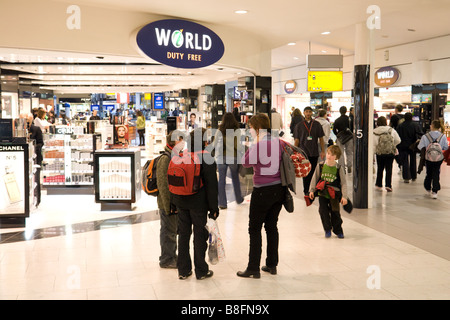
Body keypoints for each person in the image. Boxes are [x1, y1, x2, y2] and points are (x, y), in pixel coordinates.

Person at [237, 113, 284, 278]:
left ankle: (253, 268)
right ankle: (272, 265)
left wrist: (253, 145)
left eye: (250, 128)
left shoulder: (259, 145)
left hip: (262, 190)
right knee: (272, 227)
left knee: (254, 229)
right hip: (279, 190)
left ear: (257, 129)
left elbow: (245, 162)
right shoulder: (278, 142)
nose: (249, 131)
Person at [171, 128, 219, 280]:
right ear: (205, 141)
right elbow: (212, 186)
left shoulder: (181, 156)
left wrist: (173, 203)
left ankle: (183, 270)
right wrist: (214, 208)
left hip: (181, 201)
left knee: (183, 235)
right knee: (200, 235)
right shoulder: (207, 158)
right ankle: (201, 270)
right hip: (199, 204)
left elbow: (173, 180)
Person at [157, 130, 184, 269]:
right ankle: (166, 259)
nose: (183, 142)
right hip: (167, 204)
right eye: (180, 140)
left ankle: (172, 255)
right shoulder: (166, 159)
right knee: (168, 232)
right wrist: (168, 206)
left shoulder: (175, 156)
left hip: (173, 203)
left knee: (173, 231)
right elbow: (163, 185)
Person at [309, 145, 348, 239]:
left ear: (337, 157)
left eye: (332, 155)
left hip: (334, 194)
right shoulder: (321, 166)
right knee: (323, 211)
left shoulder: (339, 168)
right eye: (328, 153)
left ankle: (338, 230)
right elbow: (314, 178)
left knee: (335, 212)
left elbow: (344, 183)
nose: (329, 156)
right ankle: (327, 229)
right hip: (322, 193)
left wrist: (344, 196)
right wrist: (311, 190)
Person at [210, 112, 244, 210]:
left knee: (221, 180)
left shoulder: (219, 130)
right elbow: (237, 145)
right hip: (232, 156)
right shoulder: (236, 130)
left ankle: (222, 203)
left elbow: (214, 144)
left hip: (221, 157)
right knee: (235, 178)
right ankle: (238, 198)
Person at [293, 106, 325, 195]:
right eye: (306, 112)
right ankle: (306, 190)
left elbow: (321, 138)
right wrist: (295, 152)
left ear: (312, 113)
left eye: (309, 112)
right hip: (303, 153)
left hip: (314, 152)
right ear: (304, 113)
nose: (308, 113)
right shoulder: (299, 126)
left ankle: (313, 190)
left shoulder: (317, 124)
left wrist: (323, 151)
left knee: (314, 172)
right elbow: (297, 140)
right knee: (305, 172)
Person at [417, 120, 448, 199]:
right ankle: (435, 191)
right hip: (438, 158)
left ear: (432, 126)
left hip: (428, 158)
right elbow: (445, 147)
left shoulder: (425, 136)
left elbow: (420, 147)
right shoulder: (443, 136)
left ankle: (427, 187)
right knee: (436, 172)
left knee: (429, 172)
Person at [373, 116, 401, 192]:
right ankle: (388, 185)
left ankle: (379, 184)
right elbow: (398, 140)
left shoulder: (375, 131)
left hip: (379, 152)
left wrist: (374, 152)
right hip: (390, 152)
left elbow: (373, 144)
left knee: (380, 168)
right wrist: (392, 145)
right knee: (389, 168)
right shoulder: (391, 130)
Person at [396, 112, 422, 183]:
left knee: (405, 161)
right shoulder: (415, 125)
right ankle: (414, 176)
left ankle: (406, 177)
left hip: (403, 145)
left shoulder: (400, 126)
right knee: (413, 160)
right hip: (413, 145)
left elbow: (397, 136)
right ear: (411, 117)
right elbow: (420, 134)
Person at [26, 113, 44, 207]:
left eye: (27, 120)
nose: (26, 121)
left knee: (36, 178)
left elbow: (41, 143)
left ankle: (37, 200)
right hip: (25, 158)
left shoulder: (36, 129)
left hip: (35, 158)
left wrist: (33, 147)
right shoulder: (19, 130)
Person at [333, 106, 353, 174]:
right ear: (346, 111)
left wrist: (338, 135)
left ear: (340, 111)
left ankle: (342, 168)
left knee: (340, 153)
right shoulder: (349, 119)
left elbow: (334, 129)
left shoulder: (337, 120)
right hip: (349, 137)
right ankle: (350, 165)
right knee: (349, 152)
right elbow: (353, 128)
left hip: (341, 138)